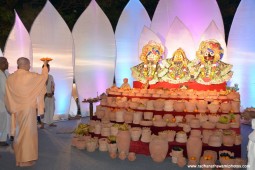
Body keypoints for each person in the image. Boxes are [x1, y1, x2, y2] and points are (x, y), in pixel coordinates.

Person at [4, 57, 48, 167]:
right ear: (26, 65)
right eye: (29, 65)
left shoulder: (11, 78)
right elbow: (43, 78)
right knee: (27, 135)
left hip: (16, 110)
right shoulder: (29, 76)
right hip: (27, 110)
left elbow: (7, 95)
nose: (29, 67)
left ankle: (19, 159)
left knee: (19, 134)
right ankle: (25, 160)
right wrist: (45, 65)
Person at [40, 63, 56, 128]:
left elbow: (53, 85)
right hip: (43, 96)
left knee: (52, 109)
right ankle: (42, 124)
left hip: (51, 95)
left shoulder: (51, 76)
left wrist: (52, 93)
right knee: (43, 110)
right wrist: (46, 94)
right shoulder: (40, 77)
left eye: (48, 68)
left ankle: (50, 122)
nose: (48, 69)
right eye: (46, 68)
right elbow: (40, 88)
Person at [0, 57, 10, 146]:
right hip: (1, 102)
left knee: (4, 122)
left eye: (6, 62)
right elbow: (3, 90)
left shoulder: (7, 73)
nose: (7, 63)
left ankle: (2, 140)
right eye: (4, 62)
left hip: (6, 102)